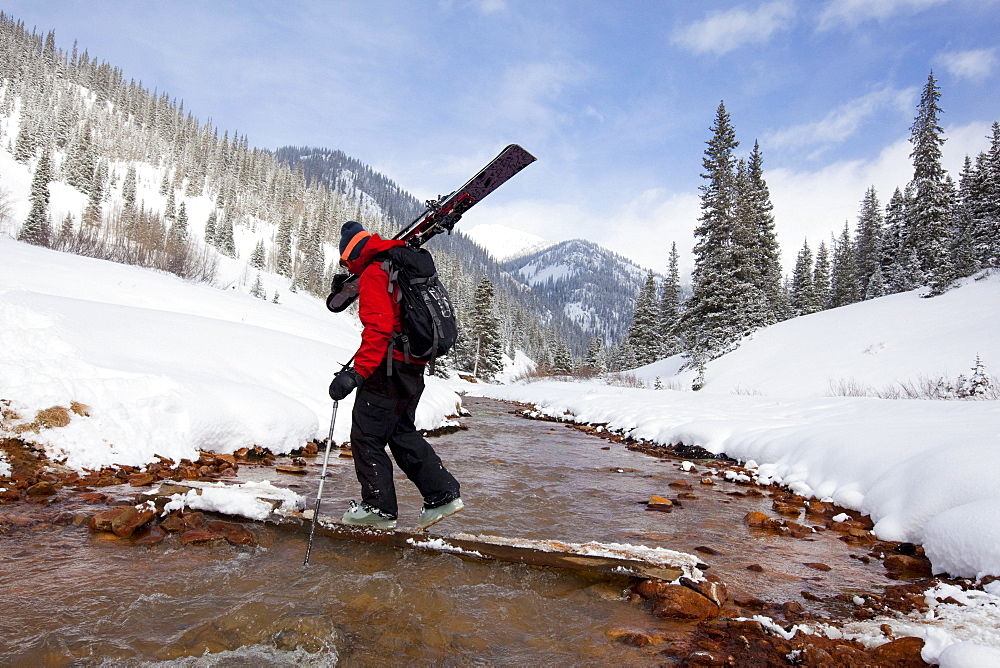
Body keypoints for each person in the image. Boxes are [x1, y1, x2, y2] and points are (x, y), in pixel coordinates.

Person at [328, 221, 463, 530]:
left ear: (351, 254)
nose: (348, 266)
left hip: (387, 370)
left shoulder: (376, 271)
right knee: (401, 432)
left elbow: (378, 329)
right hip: (413, 368)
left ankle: (378, 509)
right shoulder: (400, 262)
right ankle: (442, 495)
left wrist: (355, 375)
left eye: (346, 260)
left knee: (366, 435)